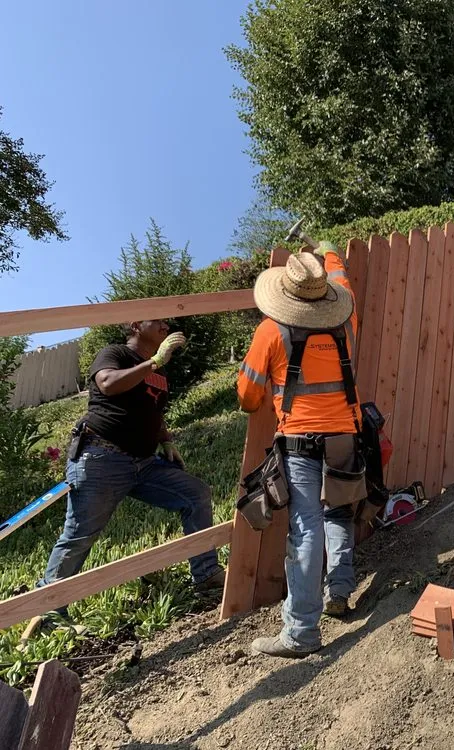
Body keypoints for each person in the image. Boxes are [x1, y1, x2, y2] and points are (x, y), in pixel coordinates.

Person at [38, 320, 226, 612]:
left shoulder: (158, 370)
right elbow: (108, 384)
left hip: (145, 463)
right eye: (158, 320)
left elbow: (154, 411)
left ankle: (206, 575)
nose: (166, 324)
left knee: (196, 494)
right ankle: (48, 608)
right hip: (102, 458)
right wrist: (153, 362)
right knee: (80, 535)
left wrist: (167, 442)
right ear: (136, 325)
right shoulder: (115, 353)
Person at [237, 245, 363, 659]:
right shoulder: (345, 324)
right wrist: (329, 252)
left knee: (307, 528)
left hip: (300, 442)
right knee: (339, 511)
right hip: (345, 435)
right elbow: (343, 283)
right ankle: (340, 590)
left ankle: (301, 632)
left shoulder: (271, 332)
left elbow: (248, 398)